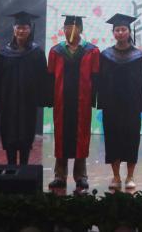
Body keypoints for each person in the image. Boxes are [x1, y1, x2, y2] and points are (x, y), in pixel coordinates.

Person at [47, 15, 99, 193]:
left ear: (81, 30)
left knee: (81, 137)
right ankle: (59, 176)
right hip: (61, 101)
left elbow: (95, 77)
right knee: (61, 136)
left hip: (82, 102)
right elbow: (50, 77)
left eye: (74, 27)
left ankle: (81, 176)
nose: (70, 30)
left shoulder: (91, 51)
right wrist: (50, 99)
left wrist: (93, 99)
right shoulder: (56, 51)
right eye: (67, 27)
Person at [98, 13, 142, 191]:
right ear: (113, 32)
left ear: (129, 31)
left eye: (123, 29)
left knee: (132, 139)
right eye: (117, 30)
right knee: (113, 139)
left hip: (131, 106)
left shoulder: (138, 56)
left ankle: (130, 176)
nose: (120, 32)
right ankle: (116, 176)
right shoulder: (105, 55)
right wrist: (101, 103)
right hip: (111, 106)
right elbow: (101, 81)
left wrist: (141, 106)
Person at [0, 11, 48, 166]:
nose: (21, 31)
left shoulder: (37, 53)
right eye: (18, 27)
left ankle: (24, 167)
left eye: (25, 28)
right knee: (9, 134)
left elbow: (43, 78)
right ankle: (11, 165)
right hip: (9, 102)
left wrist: (41, 98)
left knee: (26, 134)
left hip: (28, 102)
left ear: (30, 30)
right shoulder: (4, 53)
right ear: (14, 29)